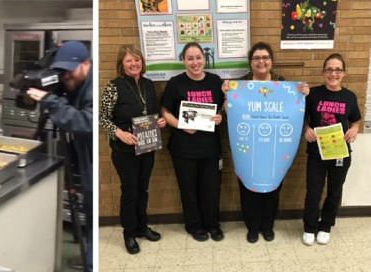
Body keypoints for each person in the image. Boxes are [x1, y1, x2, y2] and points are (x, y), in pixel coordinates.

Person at [227, 42, 308, 243]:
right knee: (248, 189)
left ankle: (268, 225)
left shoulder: (283, 85)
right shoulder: (240, 85)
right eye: (256, 58)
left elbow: (295, 110)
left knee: (273, 187)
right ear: (250, 62)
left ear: (271, 61)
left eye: (265, 57)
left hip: (275, 148)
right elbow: (228, 111)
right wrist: (226, 95)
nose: (261, 61)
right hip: (248, 147)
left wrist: (303, 93)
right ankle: (252, 227)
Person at [26, 41, 93, 270]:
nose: (65, 77)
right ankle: (89, 257)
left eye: (70, 71)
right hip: (84, 157)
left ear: (86, 64)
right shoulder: (77, 83)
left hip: (92, 161)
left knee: (92, 214)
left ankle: (91, 264)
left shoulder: (95, 88)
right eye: (61, 71)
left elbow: (87, 121)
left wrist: (50, 101)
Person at [100, 45, 166, 254]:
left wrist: (160, 122)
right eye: (129, 61)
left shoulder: (148, 84)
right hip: (124, 150)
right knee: (129, 191)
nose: (134, 64)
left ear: (142, 63)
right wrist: (119, 133)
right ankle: (129, 233)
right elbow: (102, 117)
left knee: (143, 189)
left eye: (137, 60)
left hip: (147, 147)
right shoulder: (114, 86)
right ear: (122, 64)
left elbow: (151, 114)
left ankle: (141, 226)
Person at [160, 42, 224, 242]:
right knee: (189, 189)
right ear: (183, 61)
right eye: (190, 58)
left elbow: (225, 106)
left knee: (211, 189)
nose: (195, 62)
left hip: (210, 146)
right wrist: (180, 125)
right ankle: (194, 226)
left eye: (198, 58)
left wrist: (221, 115)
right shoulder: (175, 83)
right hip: (184, 148)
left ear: (204, 59)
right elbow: (165, 112)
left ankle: (212, 225)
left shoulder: (215, 81)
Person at [302, 53, 361, 246]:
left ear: (343, 73)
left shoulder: (349, 97)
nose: (333, 73)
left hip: (339, 153)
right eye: (329, 69)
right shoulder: (313, 94)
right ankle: (310, 227)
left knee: (335, 192)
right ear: (323, 72)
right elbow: (301, 117)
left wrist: (354, 130)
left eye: (337, 70)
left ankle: (325, 226)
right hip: (316, 152)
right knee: (313, 191)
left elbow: (356, 121)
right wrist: (306, 129)